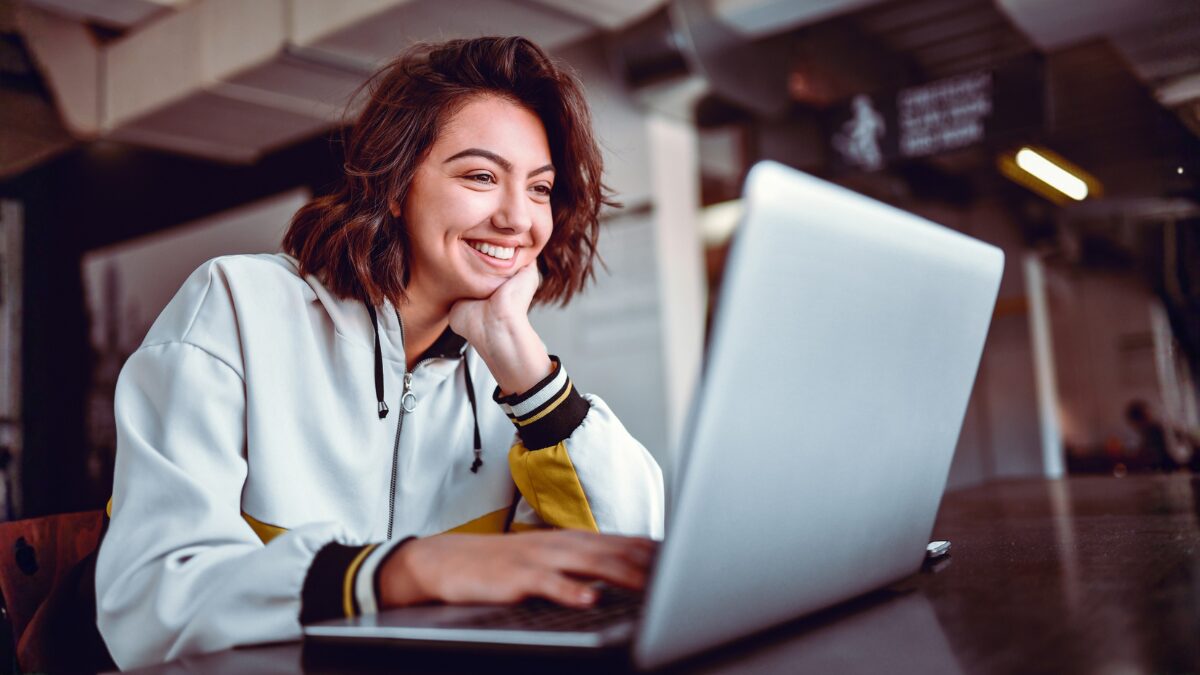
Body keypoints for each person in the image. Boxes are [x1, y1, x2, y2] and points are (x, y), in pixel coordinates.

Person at [95, 36, 665, 669]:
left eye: (539, 189)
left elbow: (629, 560)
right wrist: (404, 570)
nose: (517, 218)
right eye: (481, 176)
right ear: (396, 184)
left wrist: (520, 358)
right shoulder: (235, 304)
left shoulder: (509, 373)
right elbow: (150, 601)